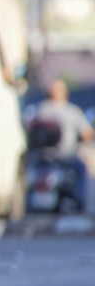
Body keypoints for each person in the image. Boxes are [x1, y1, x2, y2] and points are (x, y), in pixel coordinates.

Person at [34, 79, 95, 210]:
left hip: (44, 156)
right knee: (82, 169)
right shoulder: (72, 111)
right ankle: (80, 202)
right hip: (65, 155)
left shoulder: (42, 109)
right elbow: (87, 133)